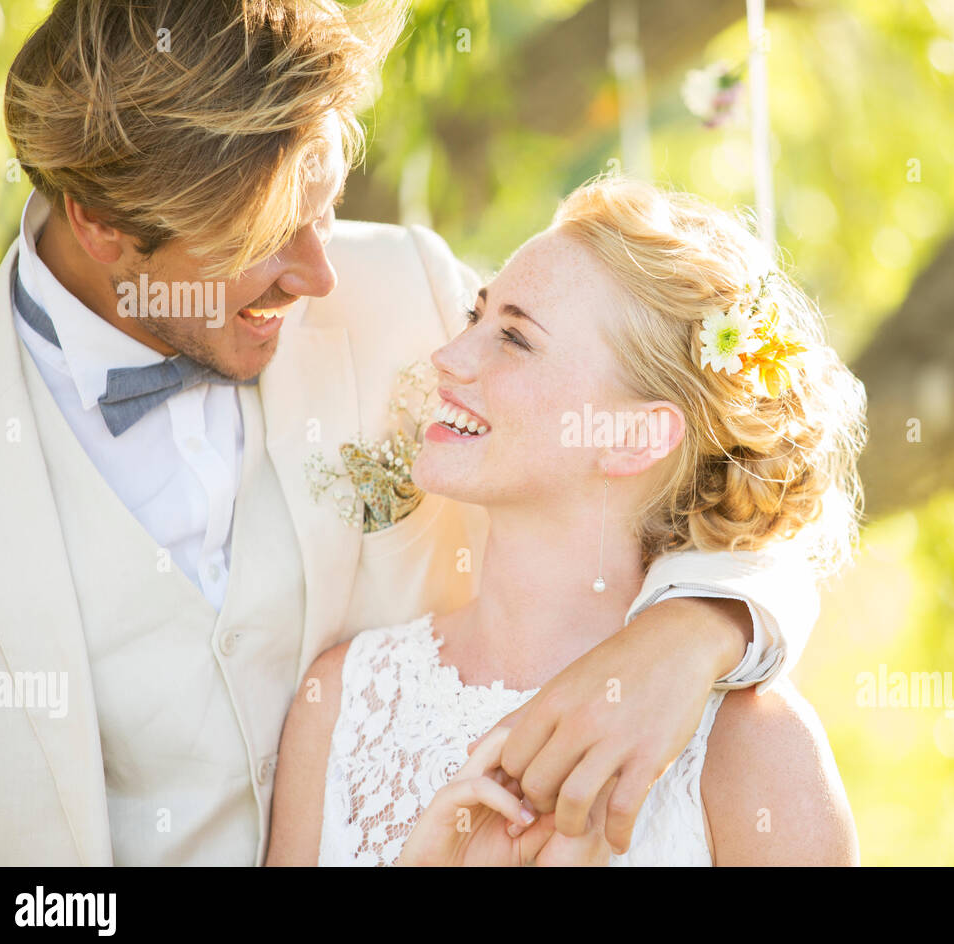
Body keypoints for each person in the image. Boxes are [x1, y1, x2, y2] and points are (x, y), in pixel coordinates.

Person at [0, 0, 823, 865]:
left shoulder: (405, 292)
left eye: (326, 207)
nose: (318, 274)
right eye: (262, 238)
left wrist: (697, 631)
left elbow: (719, 459)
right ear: (100, 225)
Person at [268, 178, 867, 865]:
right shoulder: (343, 704)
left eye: (516, 339)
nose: (449, 358)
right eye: (476, 316)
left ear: (633, 438)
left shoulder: (755, 749)